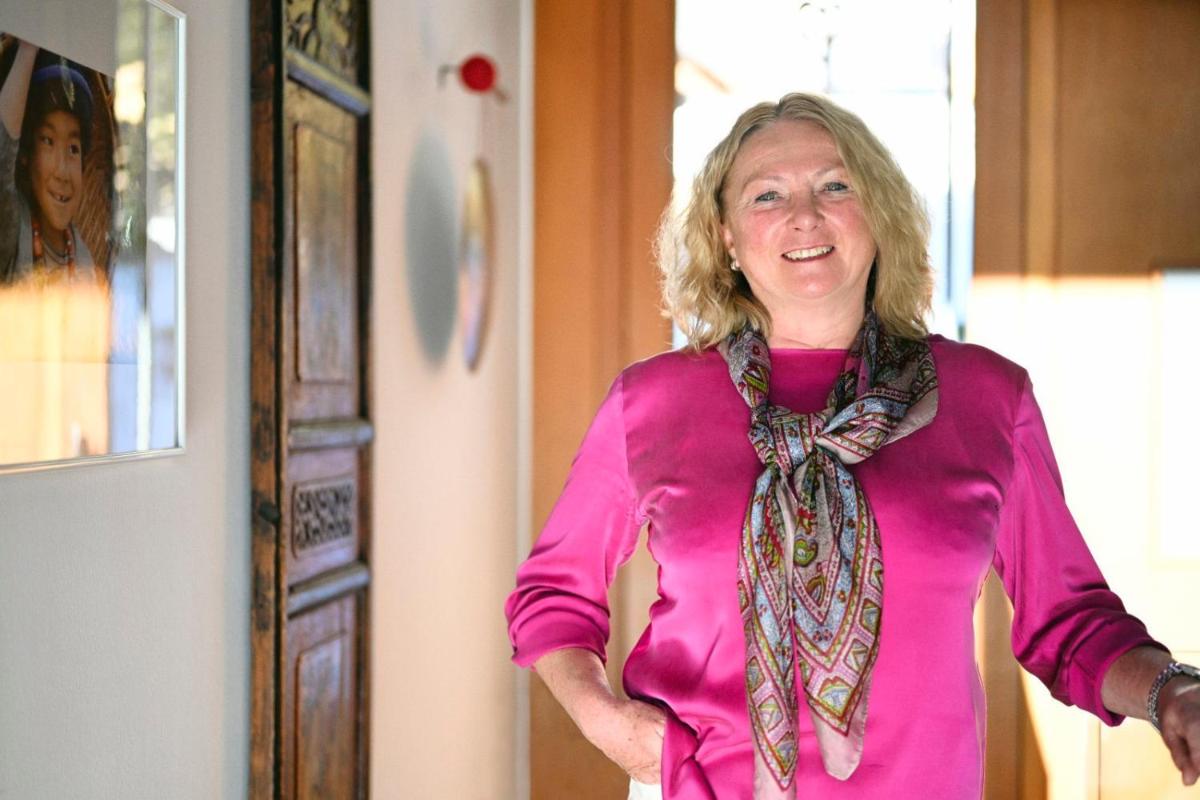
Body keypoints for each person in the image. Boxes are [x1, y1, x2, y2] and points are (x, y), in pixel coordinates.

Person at [505, 93, 1200, 799]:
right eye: (767, 195)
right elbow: (553, 592)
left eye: (836, 186)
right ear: (726, 238)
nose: (805, 215)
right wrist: (606, 721)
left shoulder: (987, 397)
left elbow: (1071, 622)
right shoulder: (652, 401)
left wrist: (1171, 692)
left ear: (879, 212)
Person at [0, 35, 102, 286]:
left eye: (73, 149)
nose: (62, 172)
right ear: (25, 153)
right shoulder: (12, 228)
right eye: (47, 141)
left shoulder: (85, 263)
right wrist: (28, 49)